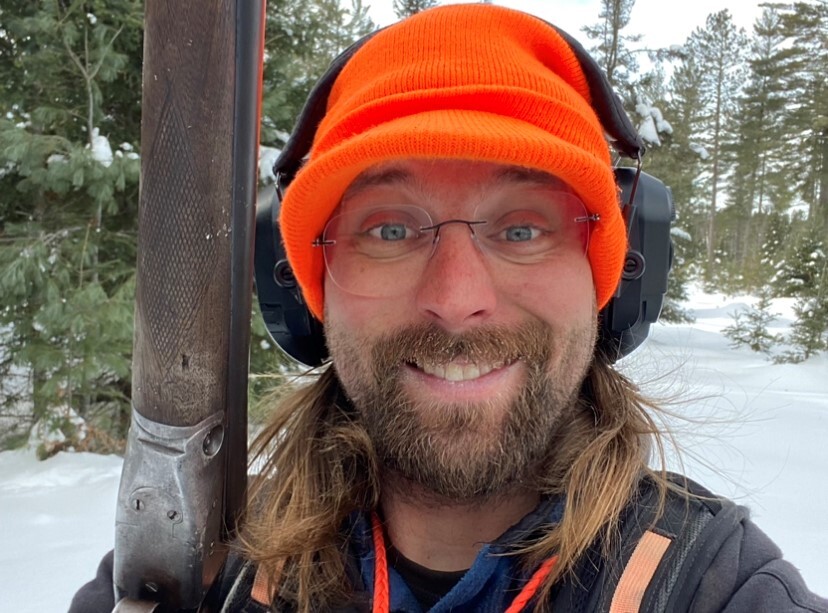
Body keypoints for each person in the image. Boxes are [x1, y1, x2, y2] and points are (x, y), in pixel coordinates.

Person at [72, 5, 827, 612]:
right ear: (306, 289)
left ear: (616, 280)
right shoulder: (195, 562)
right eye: (390, 229)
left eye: (524, 227)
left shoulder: (712, 585)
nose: (457, 300)